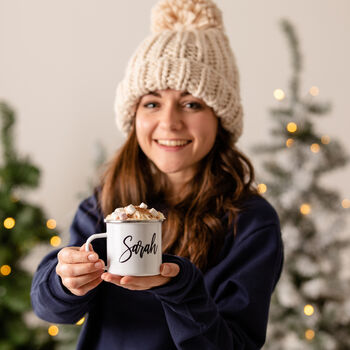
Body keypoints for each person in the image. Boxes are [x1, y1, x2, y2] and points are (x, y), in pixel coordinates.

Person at [31, 0, 284, 349]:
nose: (169, 122)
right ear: (134, 117)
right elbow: (48, 307)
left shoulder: (251, 223)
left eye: (192, 103)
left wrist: (181, 289)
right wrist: (65, 282)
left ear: (220, 118)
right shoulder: (107, 202)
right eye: (151, 103)